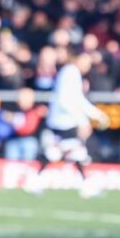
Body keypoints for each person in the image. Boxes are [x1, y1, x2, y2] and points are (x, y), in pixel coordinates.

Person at [23, 51, 110, 198]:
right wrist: (83, 120)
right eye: (86, 62)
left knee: (65, 153)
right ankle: (85, 186)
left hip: (63, 120)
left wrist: (95, 114)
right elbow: (68, 100)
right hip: (63, 122)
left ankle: (35, 181)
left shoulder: (70, 72)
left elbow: (77, 99)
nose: (88, 66)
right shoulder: (71, 72)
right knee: (72, 152)